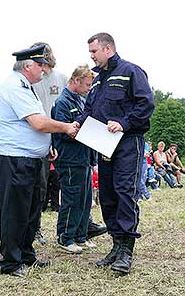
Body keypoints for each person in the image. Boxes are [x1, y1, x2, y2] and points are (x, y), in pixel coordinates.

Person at [0, 44, 78, 277]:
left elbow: (37, 126)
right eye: (41, 65)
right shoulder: (15, 87)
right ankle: (11, 262)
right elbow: (39, 123)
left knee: (32, 209)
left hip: (32, 158)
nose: (44, 70)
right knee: (15, 211)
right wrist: (66, 127)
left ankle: (26, 254)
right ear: (29, 65)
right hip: (16, 159)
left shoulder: (26, 86)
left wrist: (48, 146)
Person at [76, 33, 155, 273]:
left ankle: (126, 251)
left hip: (128, 141)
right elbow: (90, 109)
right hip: (103, 142)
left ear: (107, 48)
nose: (91, 56)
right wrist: (78, 124)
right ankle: (116, 245)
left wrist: (124, 122)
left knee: (124, 191)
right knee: (108, 194)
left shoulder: (131, 71)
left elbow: (146, 104)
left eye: (94, 51)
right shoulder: (98, 80)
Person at [52, 65, 101, 253]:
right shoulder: (62, 102)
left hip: (83, 158)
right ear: (76, 81)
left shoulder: (81, 101)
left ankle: (81, 235)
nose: (89, 88)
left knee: (85, 199)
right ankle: (65, 237)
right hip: (70, 158)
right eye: (87, 84)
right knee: (72, 198)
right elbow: (63, 131)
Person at [31, 42, 68, 244]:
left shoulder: (61, 78)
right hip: (40, 137)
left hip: (62, 136)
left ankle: (74, 227)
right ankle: (35, 228)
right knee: (40, 186)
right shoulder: (30, 81)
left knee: (72, 183)